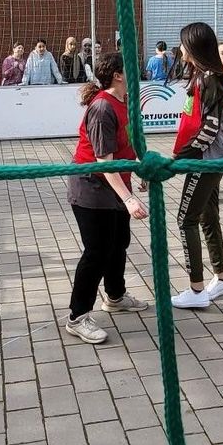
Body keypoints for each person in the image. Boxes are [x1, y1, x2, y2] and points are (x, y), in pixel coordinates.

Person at [63, 53, 150, 344]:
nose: (138, 70)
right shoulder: (102, 107)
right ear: (118, 75)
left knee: (118, 243)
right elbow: (104, 161)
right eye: (131, 68)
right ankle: (77, 317)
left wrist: (140, 169)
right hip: (92, 187)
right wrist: (129, 199)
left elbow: (128, 143)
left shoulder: (125, 101)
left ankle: (115, 296)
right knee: (97, 252)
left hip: (114, 184)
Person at [169, 22, 223, 310]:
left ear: (194, 47)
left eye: (183, 44)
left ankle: (196, 290)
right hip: (209, 159)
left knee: (186, 220)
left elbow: (209, 130)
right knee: (208, 217)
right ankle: (221, 278)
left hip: (206, 161)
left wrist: (178, 159)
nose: (180, 49)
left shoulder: (211, 79)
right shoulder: (204, 77)